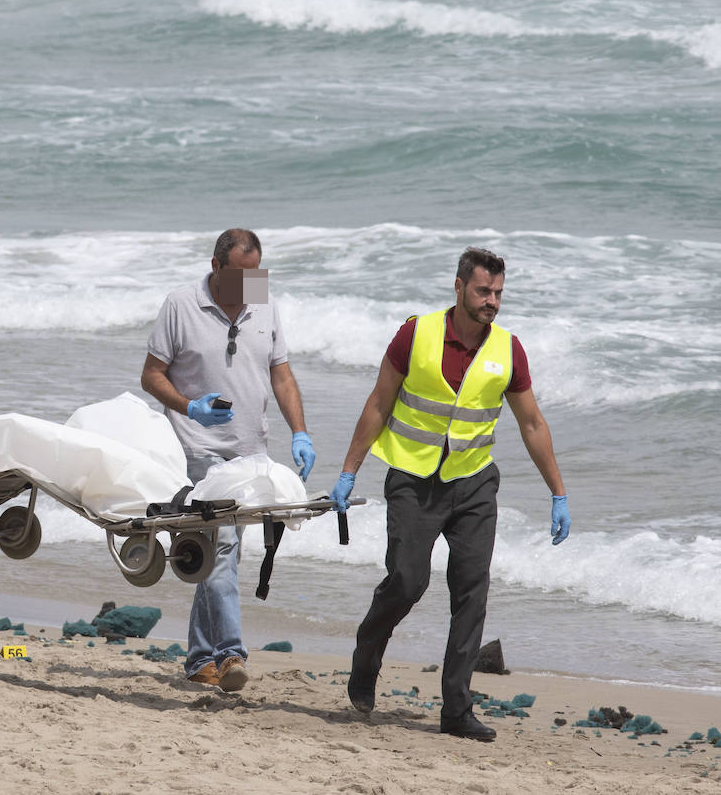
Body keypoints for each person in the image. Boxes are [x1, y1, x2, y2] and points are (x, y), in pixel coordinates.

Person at [331, 246, 570, 742]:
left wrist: (558, 493)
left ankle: (456, 710)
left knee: (471, 592)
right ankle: (367, 652)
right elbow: (379, 403)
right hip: (413, 479)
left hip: (475, 481)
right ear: (458, 286)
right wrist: (349, 470)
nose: (492, 301)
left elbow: (532, 423)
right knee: (406, 580)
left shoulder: (508, 348)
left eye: (499, 293)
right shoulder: (415, 334)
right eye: (484, 290)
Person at [141, 228, 315, 692]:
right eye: (239, 275)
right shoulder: (181, 304)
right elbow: (151, 375)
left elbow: (281, 374)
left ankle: (199, 658)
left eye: (255, 275)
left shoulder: (265, 302)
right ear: (216, 267)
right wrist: (187, 405)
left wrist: (300, 431)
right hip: (197, 450)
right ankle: (231, 652)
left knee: (221, 555)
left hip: (250, 453)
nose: (248, 286)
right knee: (220, 552)